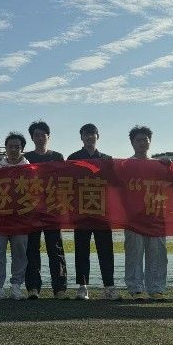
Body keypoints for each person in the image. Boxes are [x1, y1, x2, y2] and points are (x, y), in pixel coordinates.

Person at [67, 123, 118, 301]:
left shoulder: (107, 159)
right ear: (81, 137)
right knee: (81, 250)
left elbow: (115, 183)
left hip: (102, 212)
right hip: (81, 211)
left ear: (98, 136)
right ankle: (83, 287)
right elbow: (68, 183)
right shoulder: (73, 158)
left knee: (106, 250)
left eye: (92, 134)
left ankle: (109, 287)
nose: (89, 137)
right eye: (86, 134)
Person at [122, 125, 169, 301]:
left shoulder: (159, 165)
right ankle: (136, 289)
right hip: (133, 218)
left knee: (157, 254)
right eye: (138, 140)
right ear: (132, 143)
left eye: (145, 139)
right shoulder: (125, 165)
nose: (142, 143)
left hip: (156, 215)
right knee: (134, 253)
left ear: (150, 142)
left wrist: (169, 167)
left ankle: (156, 288)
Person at [24, 120, 69, 298]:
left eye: (43, 135)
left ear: (48, 136)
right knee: (31, 249)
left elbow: (65, 181)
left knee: (55, 249)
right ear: (32, 138)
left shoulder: (57, 156)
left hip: (52, 209)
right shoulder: (26, 158)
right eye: (36, 135)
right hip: (32, 210)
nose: (40, 138)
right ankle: (33, 287)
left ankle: (59, 288)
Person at [0, 132, 30, 301]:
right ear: (6, 148)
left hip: (21, 220)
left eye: (17, 147)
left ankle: (16, 286)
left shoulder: (30, 170)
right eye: (10, 146)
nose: (14, 150)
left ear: (22, 149)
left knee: (20, 252)